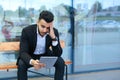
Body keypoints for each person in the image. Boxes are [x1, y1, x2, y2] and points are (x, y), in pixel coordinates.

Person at [17, 10, 65, 80]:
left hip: (45, 55)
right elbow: (23, 52)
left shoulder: (53, 32)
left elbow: (58, 54)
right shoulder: (27, 31)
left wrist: (54, 38)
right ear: (37, 22)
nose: (45, 30)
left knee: (60, 62)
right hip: (31, 56)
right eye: (42, 26)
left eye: (48, 28)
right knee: (21, 64)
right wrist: (33, 62)